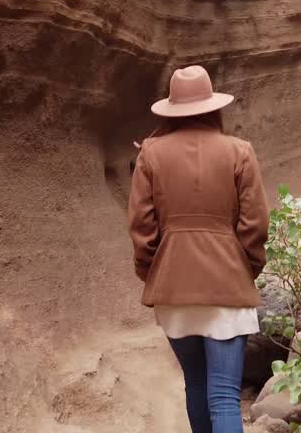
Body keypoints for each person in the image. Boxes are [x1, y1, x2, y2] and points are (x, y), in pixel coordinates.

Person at [127, 65, 269, 433]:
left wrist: (155, 273)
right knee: (224, 394)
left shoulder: (151, 154)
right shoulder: (239, 151)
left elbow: (141, 227)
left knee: (196, 384)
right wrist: (244, 269)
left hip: (172, 288)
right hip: (227, 286)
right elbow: (255, 224)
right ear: (212, 106)